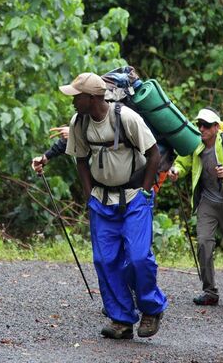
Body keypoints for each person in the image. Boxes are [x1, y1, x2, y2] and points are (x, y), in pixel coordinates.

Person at [61, 72, 167, 339]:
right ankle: (121, 319)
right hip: (102, 200)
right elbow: (81, 160)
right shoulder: (79, 123)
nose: (73, 101)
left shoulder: (125, 118)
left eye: (77, 96)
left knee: (138, 257)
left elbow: (154, 153)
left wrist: (145, 191)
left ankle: (152, 309)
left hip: (134, 198)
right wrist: (89, 196)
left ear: (92, 97)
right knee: (105, 260)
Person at [169, 108, 223, 307]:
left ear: (216, 127)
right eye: (200, 124)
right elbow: (182, 162)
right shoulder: (195, 144)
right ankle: (210, 291)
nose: (202, 128)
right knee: (204, 244)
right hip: (207, 201)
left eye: (207, 125)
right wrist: (176, 171)